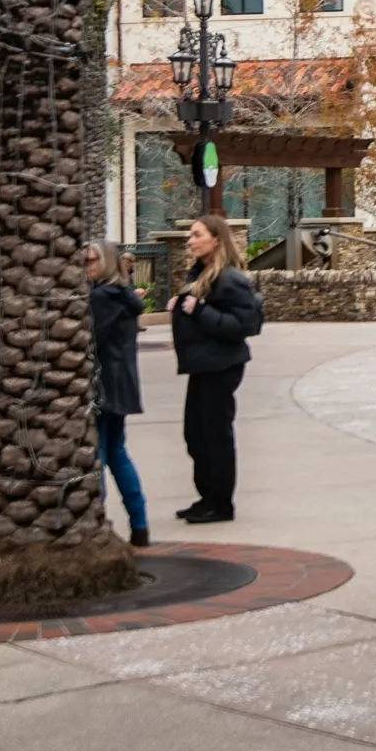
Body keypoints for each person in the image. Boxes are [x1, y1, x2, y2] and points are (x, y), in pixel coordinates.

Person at [170, 213, 262, 526]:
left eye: (197, 234)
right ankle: (207, 497)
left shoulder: (229, 278)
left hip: (221, 366)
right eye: (191, 235)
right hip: (204, 365)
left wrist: (201, 311)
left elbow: (246, 324)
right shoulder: (203, 273)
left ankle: (220, 503)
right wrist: (182, 301)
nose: (190, 240)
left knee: (215, 435)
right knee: (195, 434)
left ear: (216, 239)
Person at [84, 242, 151, 547]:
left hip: (104, 385)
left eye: (92, 261)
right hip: (120, 384)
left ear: (107, 261)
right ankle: (139, 524)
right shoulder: (122, 294)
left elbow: (90, 341)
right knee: (116, 452)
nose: (86, 267)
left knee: (103, 454)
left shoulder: (101, 297)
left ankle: (96, 526)